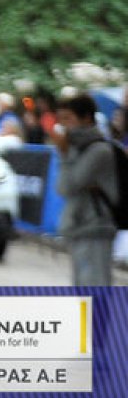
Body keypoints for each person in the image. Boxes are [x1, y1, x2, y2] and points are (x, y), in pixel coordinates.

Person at [52, 92, 118, 287]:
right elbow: (62, 187)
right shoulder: (76, 148)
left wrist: (64, 154)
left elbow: (68, 186)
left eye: (68, 118)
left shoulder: (99, 150)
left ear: (86, 118)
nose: (63, 125)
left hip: (96, 227)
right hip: (80, 226)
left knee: (94, 286)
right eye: (61, 119)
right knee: (82, 287)